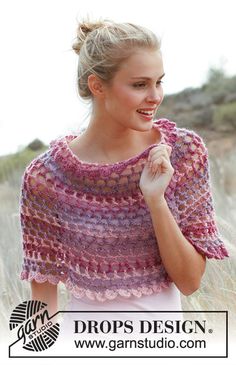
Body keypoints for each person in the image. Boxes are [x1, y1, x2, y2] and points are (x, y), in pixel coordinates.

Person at [19, 18, 229, 334]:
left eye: (159, 81)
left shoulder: (184, 153)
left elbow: (190, 281)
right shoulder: (45, 179)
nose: (155, 96)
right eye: (139, 84)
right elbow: (42, 301)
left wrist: (156, 201)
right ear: (97, 85)